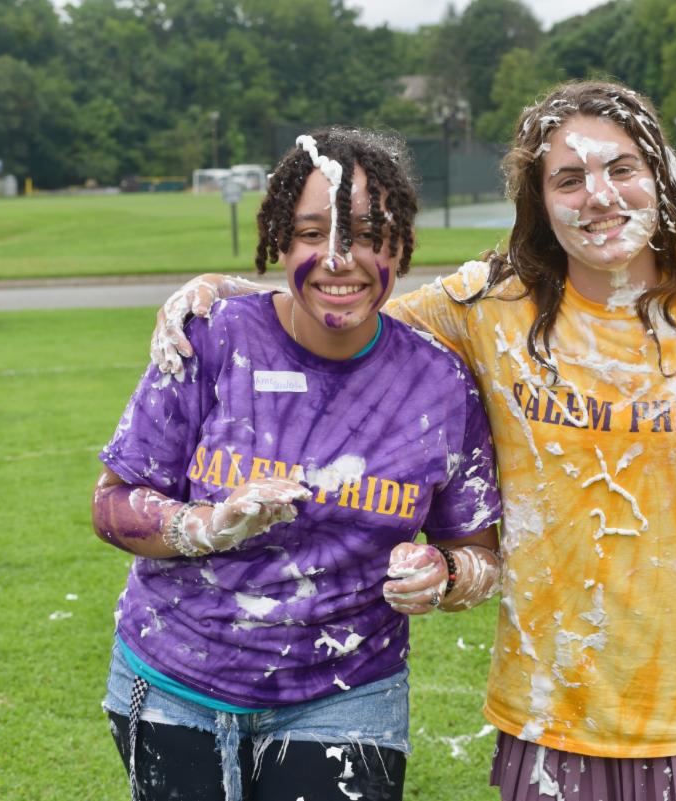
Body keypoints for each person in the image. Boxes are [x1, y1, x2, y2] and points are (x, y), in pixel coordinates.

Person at [150, 82, 676, 800]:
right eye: (568, 179)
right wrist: (222, 291)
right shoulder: (492, 304)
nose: (599, 196)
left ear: (661, 174)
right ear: (539, 201)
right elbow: (340, 304)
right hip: (552, 700)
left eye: (622, 168)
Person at [93, 127, 502, 801]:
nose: (340, 258)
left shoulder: (440, 385)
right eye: (313, 233)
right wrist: (206, 524)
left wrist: (447, 573)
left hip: (347, 691)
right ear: (280, 242)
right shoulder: (214, 337)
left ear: (400, 246)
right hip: (172, 681)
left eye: (368, 234)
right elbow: (111, 503)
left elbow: (477, 547)